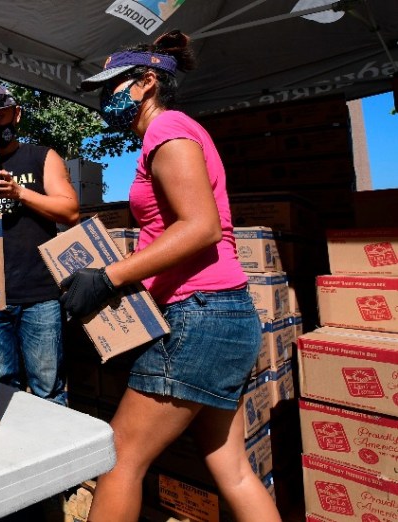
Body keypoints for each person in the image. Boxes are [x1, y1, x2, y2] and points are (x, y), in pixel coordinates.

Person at [60, 31, 281, 521]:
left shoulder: (169, 129)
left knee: (118, 459)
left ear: (147, 82)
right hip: (224, 315)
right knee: (234, 470)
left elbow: (200, 227)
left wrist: (109, 277)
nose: (105, 98)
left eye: (113, 85)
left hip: (200, 317)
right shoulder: (169, 135)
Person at [0, 84, 80, 406]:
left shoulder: (41, 156)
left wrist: (19, 193)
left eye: (0, 117)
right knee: (0, 388)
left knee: (47, 387)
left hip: (40, 294)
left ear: (16, 115)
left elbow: (70, 211)